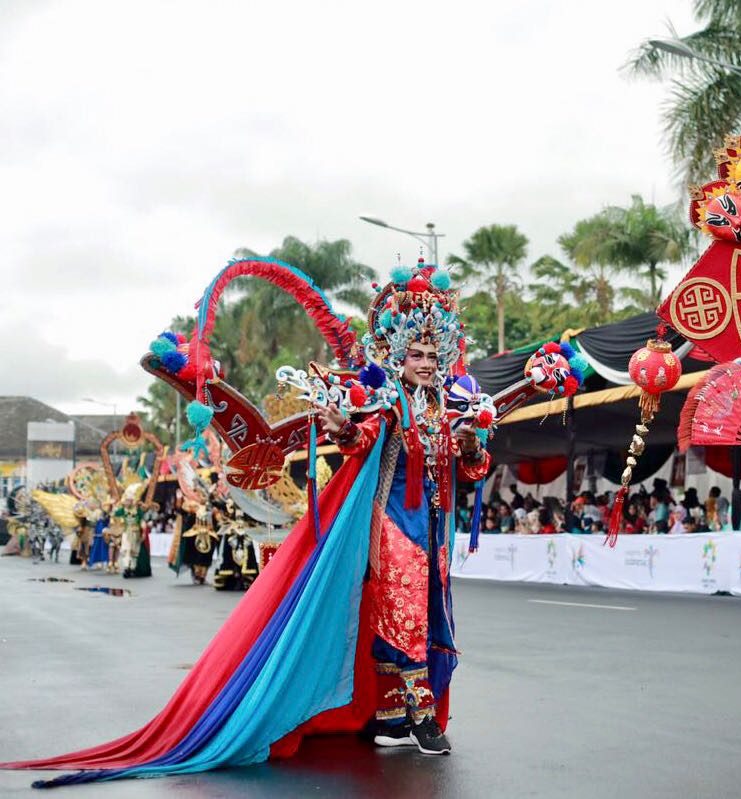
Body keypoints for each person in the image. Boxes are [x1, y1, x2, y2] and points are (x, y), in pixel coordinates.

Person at [4, 260, 569, 787]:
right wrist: (340, 424)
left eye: (432, 354)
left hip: (435, 530)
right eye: (416, 352)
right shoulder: (389, 403)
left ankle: (391, 715)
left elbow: (469, 469)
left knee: (427, 615)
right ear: (399, 355)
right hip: (393, 525)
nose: (425, 362)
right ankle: (420, 716)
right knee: (403, 617)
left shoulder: (449, 409)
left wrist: (472, 444)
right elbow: (361, 441)